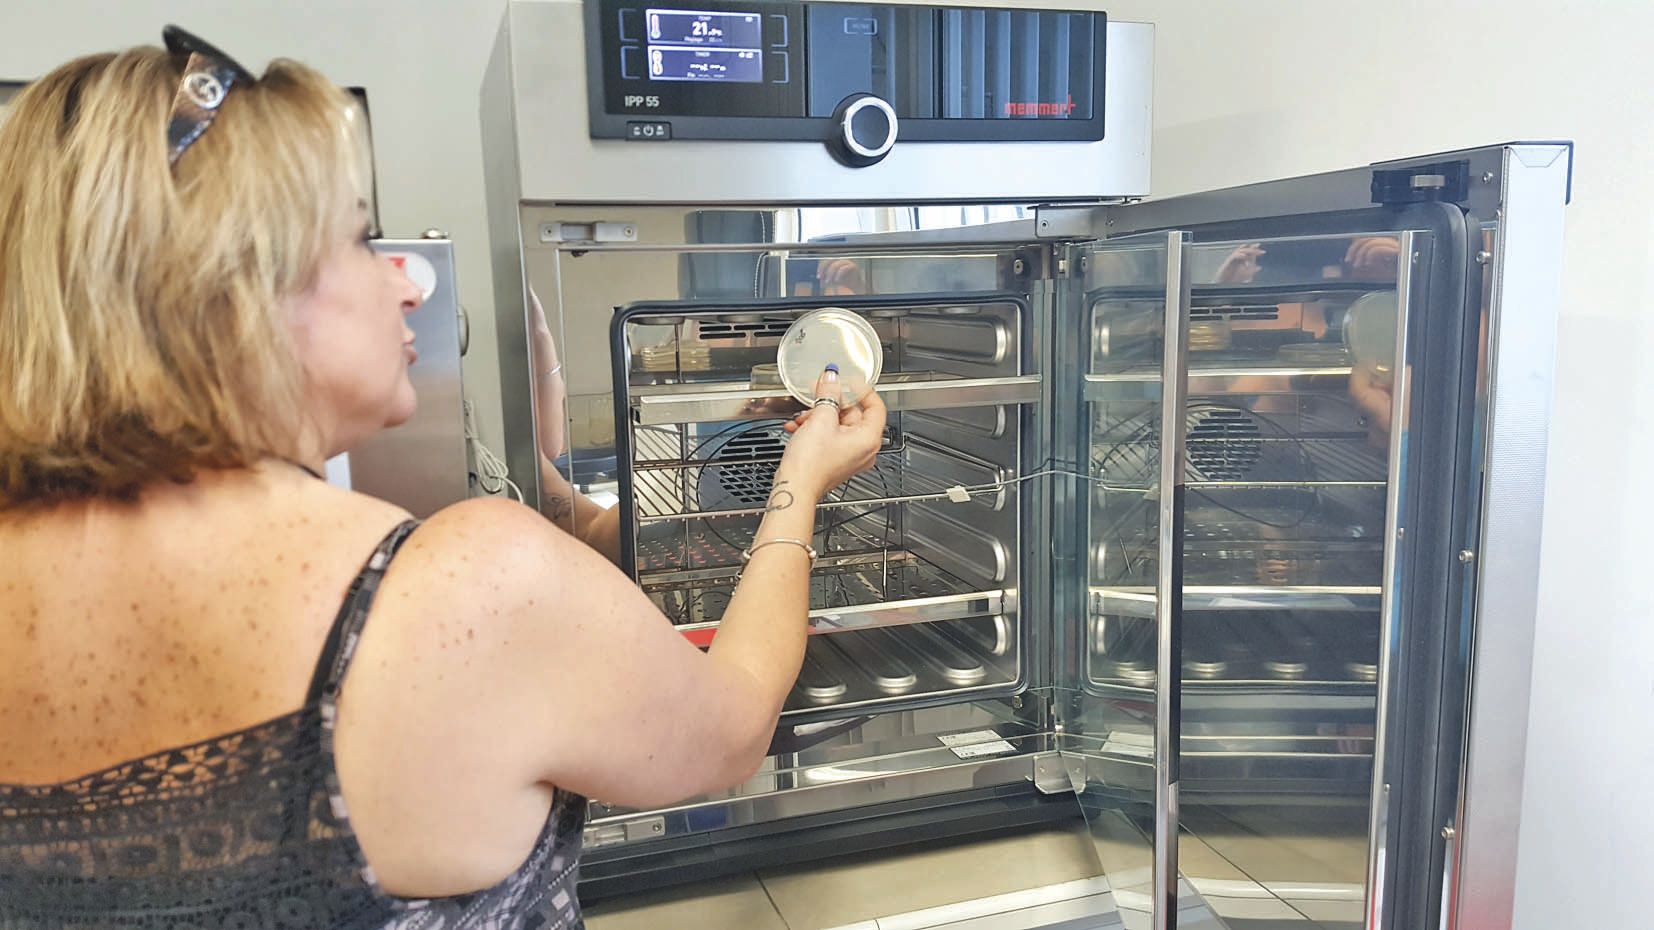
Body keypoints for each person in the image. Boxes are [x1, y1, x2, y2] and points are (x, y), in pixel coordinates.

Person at [0, 28, 884, 930]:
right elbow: (732, 731)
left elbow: (573, 524)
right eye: (355, 238)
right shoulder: (462, 592)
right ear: (229, 293)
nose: (408, 282)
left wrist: (682, 467)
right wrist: (801, 482)